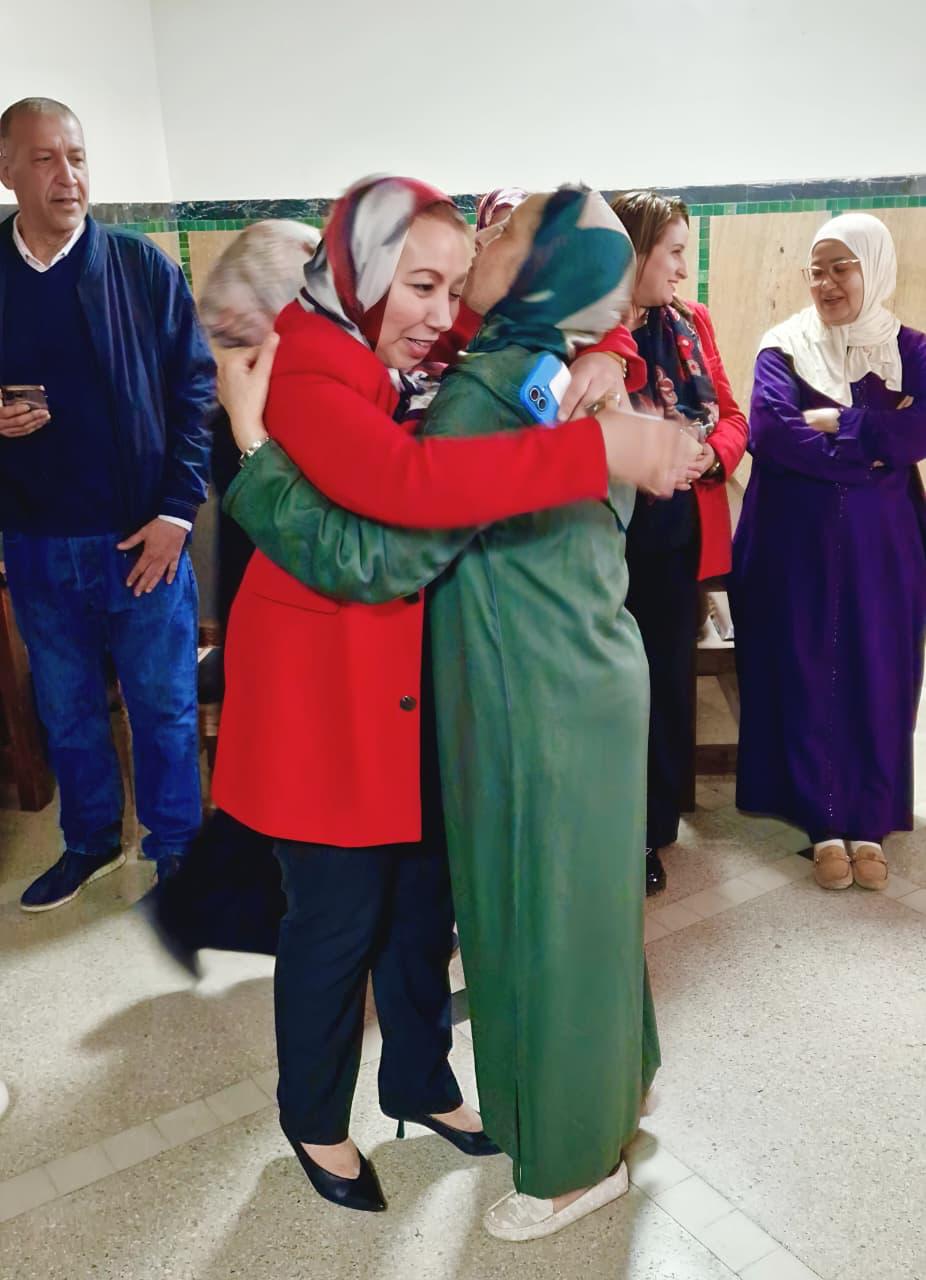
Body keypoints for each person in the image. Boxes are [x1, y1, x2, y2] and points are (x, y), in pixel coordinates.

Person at [219, 184, 698, 1239]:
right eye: (422, 283)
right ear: (361, 271)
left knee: (419, 906)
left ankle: (421, 1084)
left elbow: (556, 301)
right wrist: (252, 451)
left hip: (417, 691)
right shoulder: (306, 362)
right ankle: (314, 1122)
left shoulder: (426, 337)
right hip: (328, 689)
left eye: (455, 278)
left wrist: (608, 343)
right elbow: (388, 525)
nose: (443, 305)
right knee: (337, 919)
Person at [0, 97, 214, 912]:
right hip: (35, 540)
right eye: (46, 158)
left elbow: (195, 392)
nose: (68, 176)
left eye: (78, 157)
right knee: (66, 709)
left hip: (141, 536)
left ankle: (178, 850)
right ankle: (89, 842)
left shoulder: (138, 267)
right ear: (7, 171)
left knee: (163, 707)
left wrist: (177, 515)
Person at [141, 221, 321, 974]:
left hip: (269, 597)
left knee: (276, 765)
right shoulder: (242, 378)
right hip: (273, 598)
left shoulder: (241, 368)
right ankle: (195, 907)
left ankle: (222, 908)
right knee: (275, 769)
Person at [732, 212, 926, 890]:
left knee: (878, 668)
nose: (826, 283)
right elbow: (772, 433)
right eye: (816, 270)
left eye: (842, 267)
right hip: (794, 545)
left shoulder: (910, 348)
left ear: (874, 268)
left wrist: (842, 421)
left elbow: (921, 429)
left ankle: (870, 821)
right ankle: (823, 823)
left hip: (883, 550)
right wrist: (870, 449)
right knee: (806, 665)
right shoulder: (782, 347)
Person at [610, 191, 748, 895]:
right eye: (671, 253)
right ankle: (610, 826)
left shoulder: (692, 322)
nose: (682, 270)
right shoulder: (590, 335)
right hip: (603, 540)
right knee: (613, 693)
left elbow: (732, 416)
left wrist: (711, 455)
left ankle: (652, 827)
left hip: (675, 535)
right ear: (631, 251)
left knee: (665, 683)